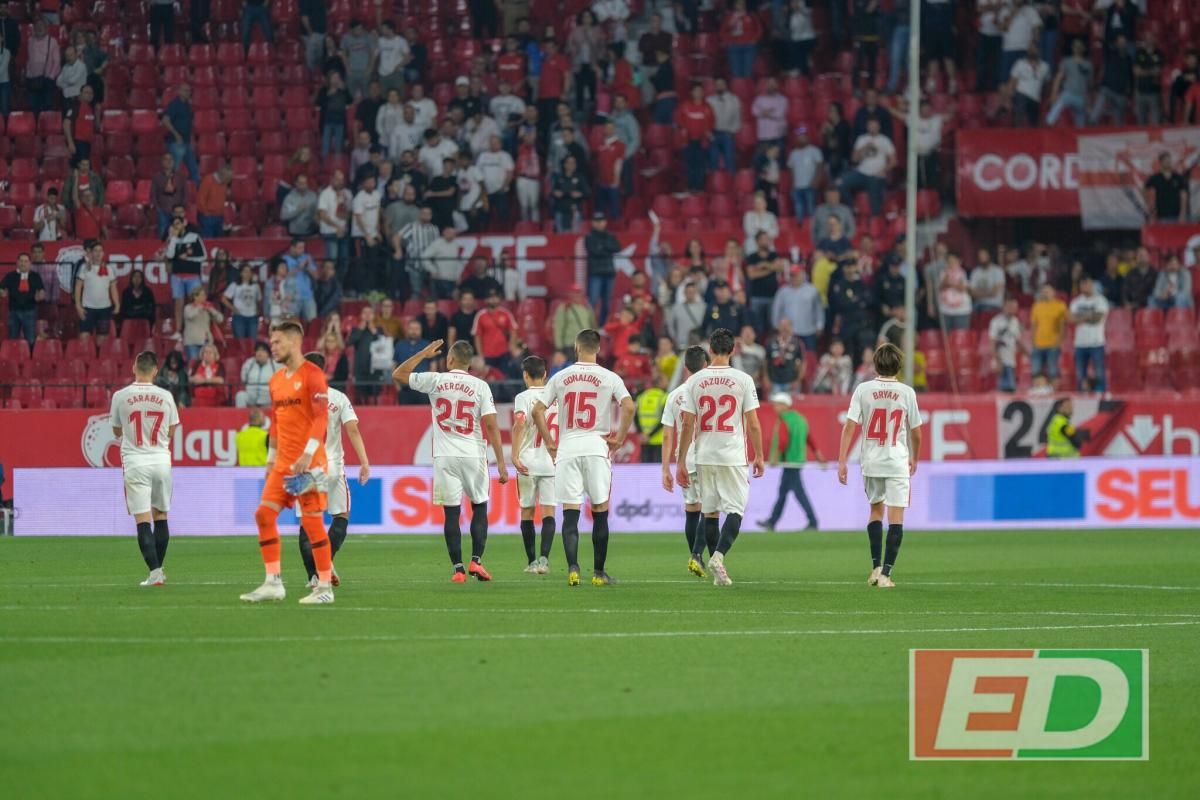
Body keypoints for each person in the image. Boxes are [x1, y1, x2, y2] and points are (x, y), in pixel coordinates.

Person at [393, 339, 509, 582]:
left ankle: (458, 570)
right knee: (479, 506)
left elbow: (399, 374)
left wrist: (423, 354)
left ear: (450, 359)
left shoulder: (436, 380)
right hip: (473, 454)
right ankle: (476, 561)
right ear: (469, 363)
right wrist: (500, 462)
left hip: (444, 456)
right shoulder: (480, 386)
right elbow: (491, 425)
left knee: (452, 513)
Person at [239, 321, 337, 605]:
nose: (273, 347)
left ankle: (324, 587)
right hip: (283, 465)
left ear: (294, 342)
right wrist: (271, 460)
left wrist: (308, 452)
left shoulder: (313, 375)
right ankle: (273, 583)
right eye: (272, 342)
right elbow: (277, 424)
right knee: (263, 515)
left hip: (310, 465)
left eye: (277, 342)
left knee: (312, 523)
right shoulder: (275, 380)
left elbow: (321, 417)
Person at [532, 329, 634, 586]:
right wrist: (620, 438)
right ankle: (598, 574)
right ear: (598, 349)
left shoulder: (561, 376)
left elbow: (537, 410)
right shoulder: (610, 377)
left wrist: (550, 442)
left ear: (576, 348)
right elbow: (629, 406)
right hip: (596, 448)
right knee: (600, 510)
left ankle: (573, 569)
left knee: (570, 512)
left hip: (568, 448)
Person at [674, 328, 765, 587]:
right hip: (732, 455)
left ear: (710, 350)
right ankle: (718, 556)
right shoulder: (743, 379)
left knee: (710, 512)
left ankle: (718, 572)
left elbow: (688, 424)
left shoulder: (694, 381)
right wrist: (759, 455)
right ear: (733, 350)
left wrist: (681, 461)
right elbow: (753, 423)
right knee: (735, 510)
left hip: (703, 454)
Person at [836, 342, 922, 589]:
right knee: (896, 519)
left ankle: (875, 568)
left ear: (875, 365)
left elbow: (849, 426)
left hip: (871, 462)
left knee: (875, 512)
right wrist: (915, 456)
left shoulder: (863, 390)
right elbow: (916, 432)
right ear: (899, 366)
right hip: (896, 462)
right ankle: (886, 574)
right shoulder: (907, 392)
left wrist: (842, 460)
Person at [296, 352, 370, 589]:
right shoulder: (338, 398)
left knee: (307, 522)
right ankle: (325, 562)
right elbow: (353, 430)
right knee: (341, 515)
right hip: (332, 466)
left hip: (305, 467)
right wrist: (364, 461)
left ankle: (313, 576)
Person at [109, 351, 181, 587]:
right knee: (161, 516)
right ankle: (158, 571)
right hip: (161, 461)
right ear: (155, 371)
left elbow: (116, 431)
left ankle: (155, 572)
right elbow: (172, 430)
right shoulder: (166, 396)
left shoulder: (120, 396)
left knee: (142, 520)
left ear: (134, 368)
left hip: (135, 462)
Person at [660, 345, 713, 575]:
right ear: (706, 365)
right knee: (710, 510)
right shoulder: (710, 391)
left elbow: (667, 435)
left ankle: (696, 557)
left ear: (685, 367)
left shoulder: (674, 395)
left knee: (692, 508)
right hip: (708, 455)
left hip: (685, 459)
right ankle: (698, 556)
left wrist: (665, 468)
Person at [510, 355, 558, 574]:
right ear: (545, 374)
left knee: (527, 512)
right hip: (551, 462)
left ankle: (531, 562)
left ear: (525, 375)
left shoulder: (523, 397)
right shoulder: (556, 396)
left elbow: (520, 423)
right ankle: (544, 560)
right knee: (549, 512)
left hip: (527, 462)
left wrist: (514, 454)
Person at [759, 392, 823, 532]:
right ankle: (772, 521)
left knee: (799, 493)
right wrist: (818, 455)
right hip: (797, 461)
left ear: (785, 405)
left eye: (777, 404)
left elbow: (782, 441)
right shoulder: (801, 419)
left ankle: (813, 521)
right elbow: (810, 439)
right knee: (783, 493)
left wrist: (774, 458)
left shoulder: (784, 420)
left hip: (789, 462)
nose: (774, 407)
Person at [74, 240, 119, 345]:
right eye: (96, 251)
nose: (98, 253)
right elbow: (78, 287)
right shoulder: (84, 268)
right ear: (91, 253)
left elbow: (113, 288)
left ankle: (100, 356)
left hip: (104, 309)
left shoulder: (109, 269)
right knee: (84, 336)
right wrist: (78, 306)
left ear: (103, 253)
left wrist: (117, 304)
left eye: (100, 251)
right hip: (88, 308)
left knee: (102, 339)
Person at [1070, 276, 1108, 392]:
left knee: (1099, 373)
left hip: (1097, 342)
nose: (1085, 286)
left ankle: (1101, 397)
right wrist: (1089, 315)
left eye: (1087, 283)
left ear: (1092, 285)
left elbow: (1098, 318)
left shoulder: (1100, 300)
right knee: (1080, 374)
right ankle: (1080, 397)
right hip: (1080, 343)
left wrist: (1081, 317)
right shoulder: (1076, 302)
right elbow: (1071, 319)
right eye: (1083, 284)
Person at [0, 253, 45, 348]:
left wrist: (40, 295)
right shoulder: (10, 276)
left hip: (30, 311)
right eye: (21, 261)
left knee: (31, 339)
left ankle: (30, 356)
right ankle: (13, 356)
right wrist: (2, 292)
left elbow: (41, 290)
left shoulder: (35, 276)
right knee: (12, 339)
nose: (23, 263)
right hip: (13, 312)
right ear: (17, 262)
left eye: (25, 261)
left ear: (30, 263)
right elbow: (1, 288)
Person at [584, 212, 621, 323]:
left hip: (609, 273)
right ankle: (589, 324)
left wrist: (602, 246)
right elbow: (595, 251)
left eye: (601, 221)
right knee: (593, 300)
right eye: (597, 221)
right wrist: (607, 249)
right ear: (593, 223)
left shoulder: (610, 235)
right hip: (595, 273)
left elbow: (617, 247)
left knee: (607, 302)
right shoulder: (589, 236)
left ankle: (603, 324)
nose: (599, 223)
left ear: (605, 222)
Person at [1030, 283, 1067, 384]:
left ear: (1053, 292)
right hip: (1038, 344)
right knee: (1035, 372)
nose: (1045, 293)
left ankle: (1053, 391)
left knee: (1053, 372)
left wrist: (1059, 342)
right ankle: (1037, 391)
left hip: (1053, 344)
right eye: (1043, 291)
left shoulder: (1060, 305)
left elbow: (1063, 326)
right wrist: (1033, 342)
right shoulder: (1036, 306)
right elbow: (1033, 326)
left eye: (1048, 291)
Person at [989, 296, 1024, 392]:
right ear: (1004, 307)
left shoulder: (1015, 321)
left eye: (1014, 307)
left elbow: (1017, 341)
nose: (1012, 309)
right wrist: (997, 361)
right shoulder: (996, 321)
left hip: (1011, 360)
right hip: (1001, 360)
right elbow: (993, 343)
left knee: (1011, 389)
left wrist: (1028, 354)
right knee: (1003, 389)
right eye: (1010, 307)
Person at [1145, 153, 1189, 224]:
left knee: (1176, 231)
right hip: (1161, 214)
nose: (1168, 163)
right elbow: (1145, 189)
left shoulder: (1178, 177)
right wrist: (1149, 205)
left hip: (1176, 214)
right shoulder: (1156, 177)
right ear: (1160, 162)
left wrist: (1182, 213)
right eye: (1166, 161)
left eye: (1169, 161)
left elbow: (1183, 195)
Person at [222, 264, 262, 341]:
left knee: (252, 342)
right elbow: (224, 299)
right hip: (239, 317)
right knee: (240, 342)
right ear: (241, 273)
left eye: (249, 272)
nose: (248, 274)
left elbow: (259, 299)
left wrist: (258, 310)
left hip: (252, 318)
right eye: (245, 271)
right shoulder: (235, 285)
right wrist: (233, 308)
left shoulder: (256, 286)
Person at [237, 341, 276, 408]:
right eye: (257, 350)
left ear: (268, 354)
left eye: (263, 350)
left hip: (268, 398)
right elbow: (243, 379)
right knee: (240, 396)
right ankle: (241, 415)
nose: (259, 353)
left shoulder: (275, 365)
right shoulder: (249, 363)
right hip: (251, 396)